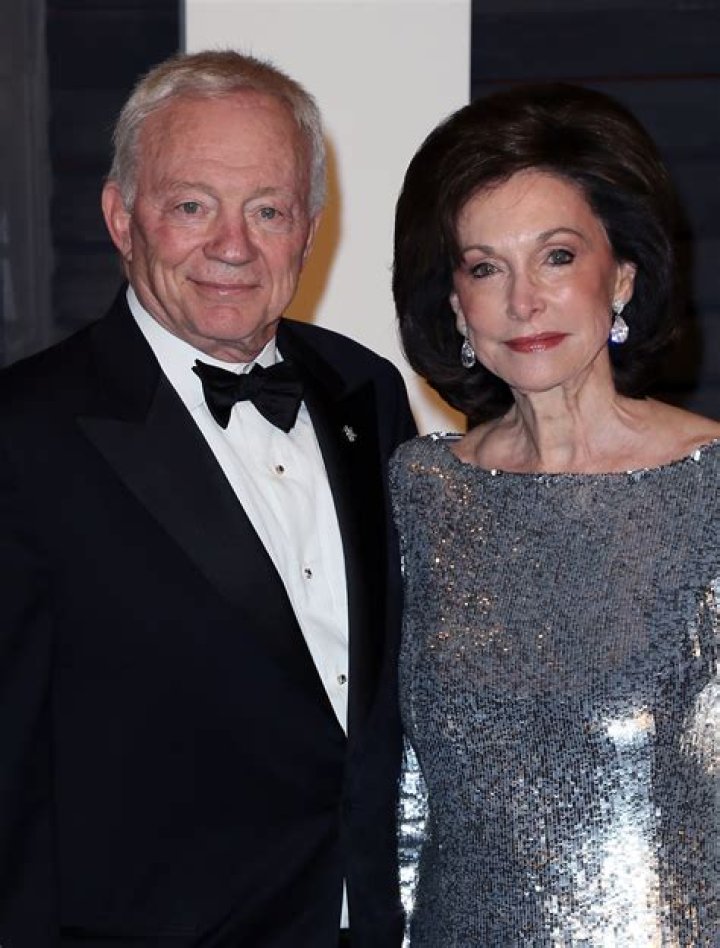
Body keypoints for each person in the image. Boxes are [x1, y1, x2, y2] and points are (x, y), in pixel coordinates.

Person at [0, 50, 415, 947]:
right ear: (121, 217)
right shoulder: (24, 435)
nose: (233, 246)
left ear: (310, 229)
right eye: (192, 206)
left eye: (268, 210)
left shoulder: (367, 391)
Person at [390, 82, 720, 945]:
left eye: (558, 257)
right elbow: (403, 793)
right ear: (456, 304)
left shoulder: (711, 488)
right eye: (485, 267)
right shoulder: (421, 493)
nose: (523, 302)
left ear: (623, 277)